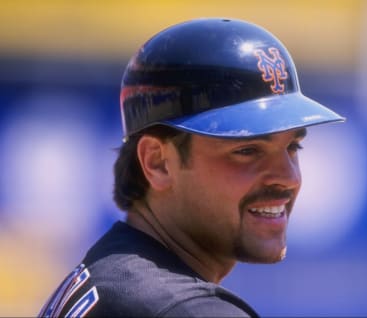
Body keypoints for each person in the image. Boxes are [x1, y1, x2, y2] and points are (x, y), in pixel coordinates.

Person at [38, 18, 344, 317]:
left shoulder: (108, 277)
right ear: (157, 162)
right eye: (247, 150)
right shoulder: (181, 308)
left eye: (293, 147)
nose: (288, 178)